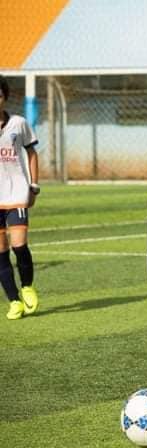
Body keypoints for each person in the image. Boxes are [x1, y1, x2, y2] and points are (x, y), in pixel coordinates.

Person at [0, 75, 40, 320]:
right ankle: (14, 301)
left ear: (4, 97)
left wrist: (33, 186)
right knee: (1, 252)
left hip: (16, 193)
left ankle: (27, 286)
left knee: (19, 245)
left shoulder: (18, 123)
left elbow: (32, 153)